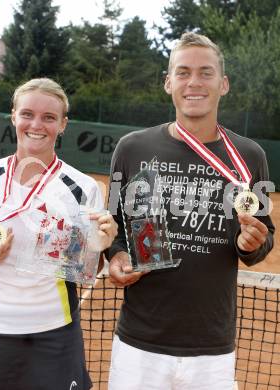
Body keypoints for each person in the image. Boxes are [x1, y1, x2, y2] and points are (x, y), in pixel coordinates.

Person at [106, 32, 275, 390]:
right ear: (168, 83)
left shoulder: (250, 156)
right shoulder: (131, 148)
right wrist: (117, 254)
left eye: (205, 72)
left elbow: (262, 240)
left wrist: (251, 244)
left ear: (223, 84)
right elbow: (114, 226)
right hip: (139, 343)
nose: (193, 82)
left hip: (211, 350)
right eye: (182, 72)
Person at [0, 78, 117, 390]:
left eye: (49, 117)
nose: (37, 124)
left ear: (63, 124)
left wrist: (98, 247)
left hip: (56, 332)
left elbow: (88, 270)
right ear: (13, 116)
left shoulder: (83, 188)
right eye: (27, 114)